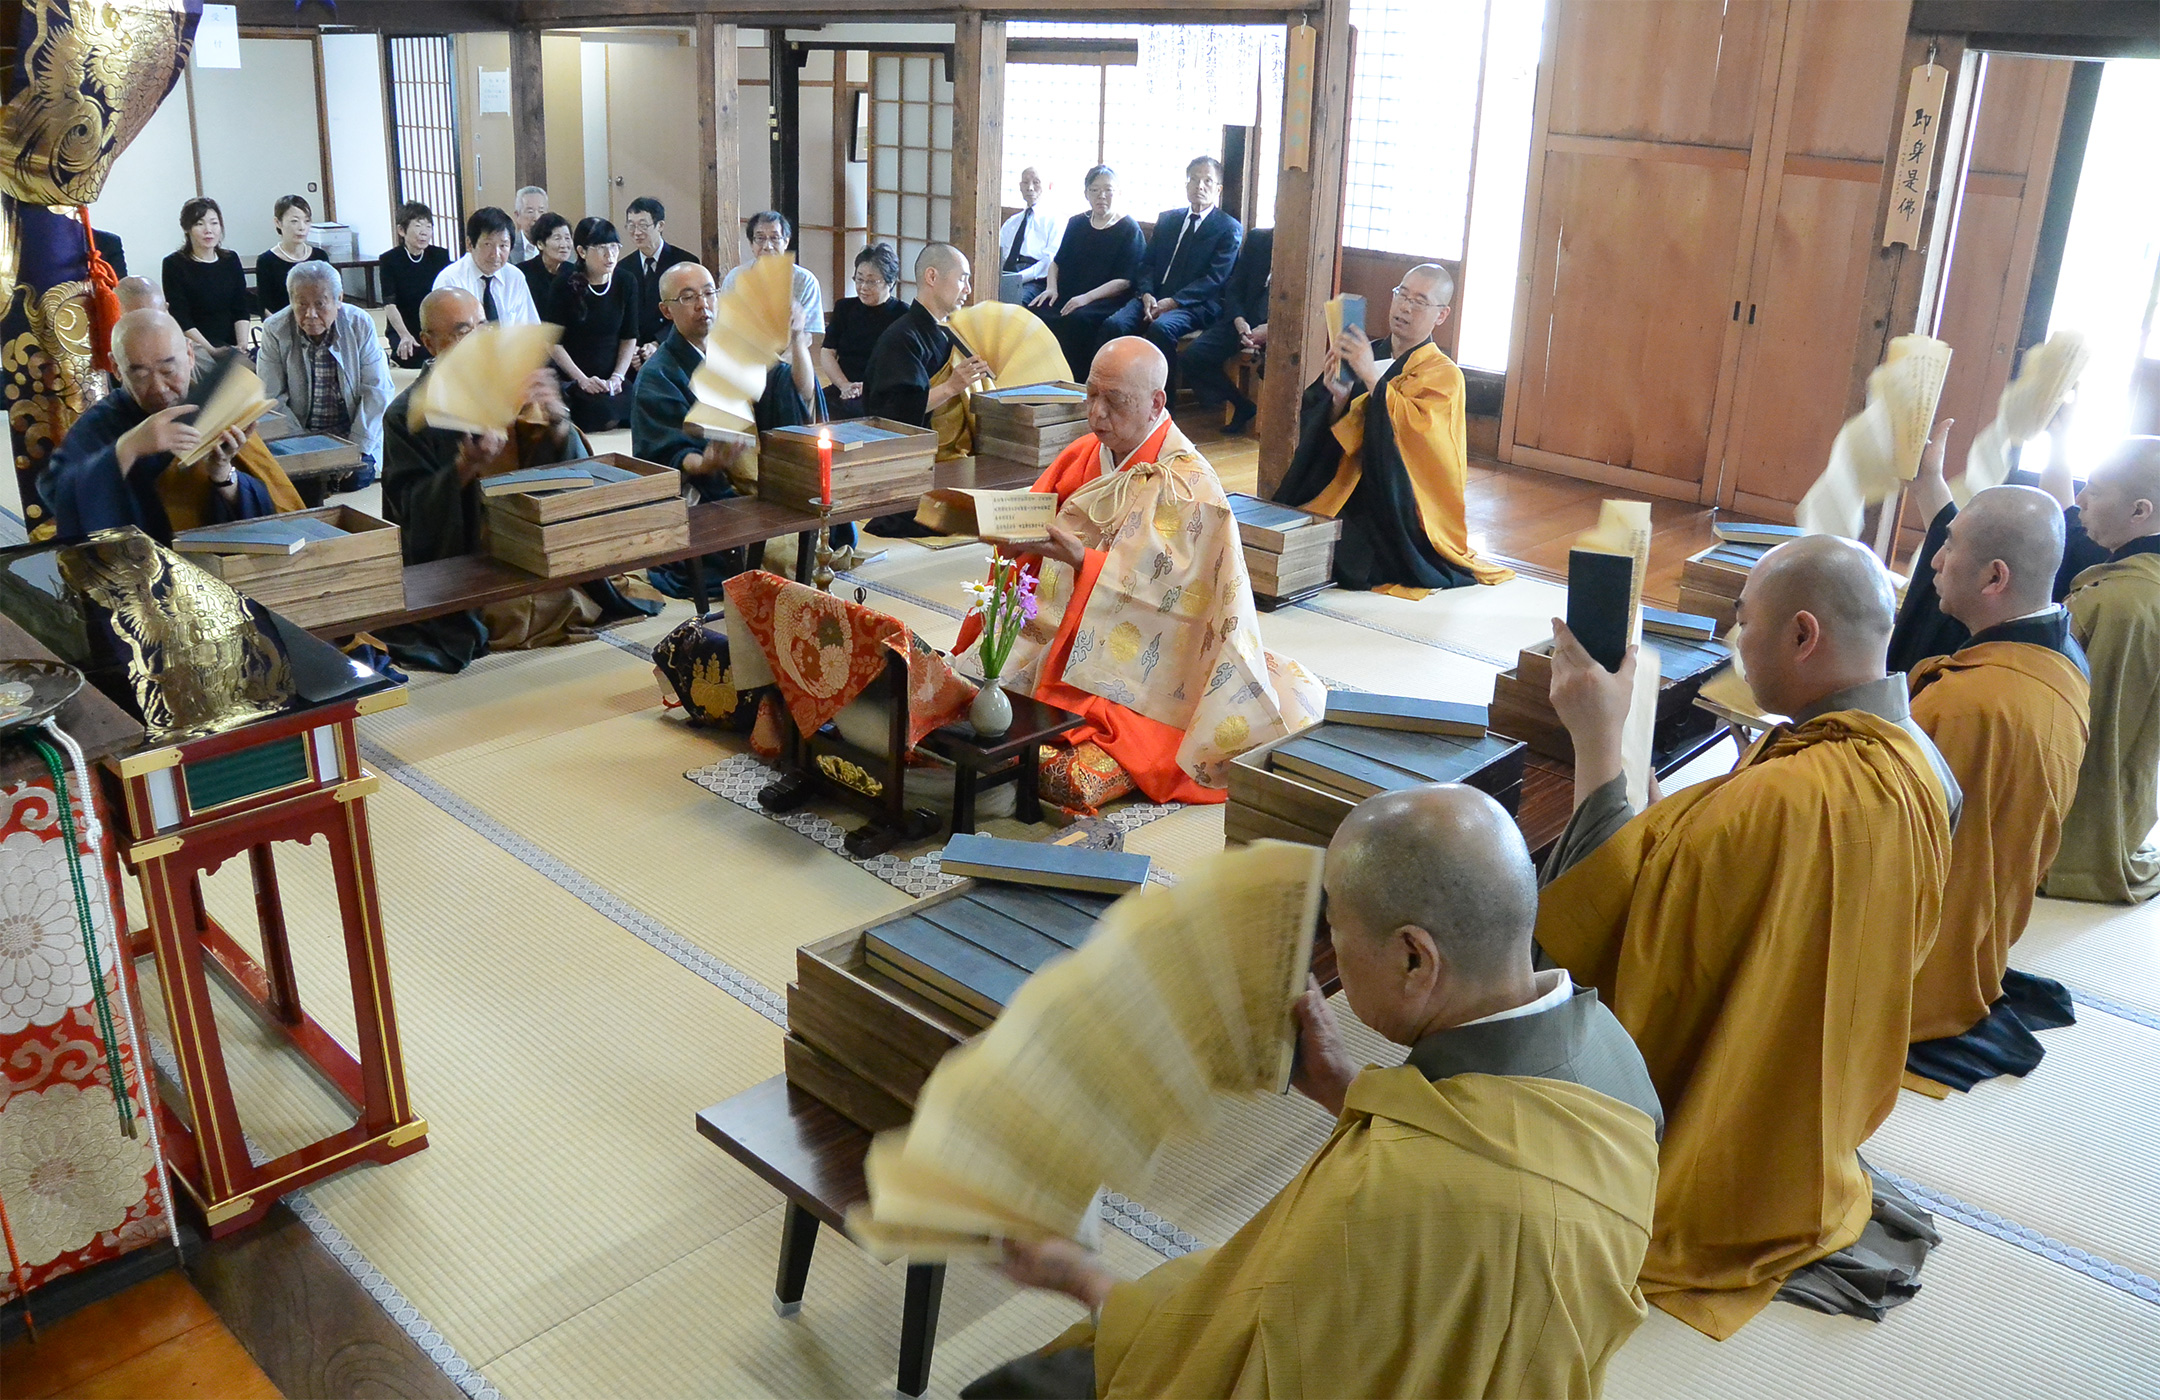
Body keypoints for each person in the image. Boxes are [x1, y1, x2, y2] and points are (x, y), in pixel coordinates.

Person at [967, 784, 1662, 1400]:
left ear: (1414, 958)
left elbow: (1241, 1355)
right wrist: (1342, 1086)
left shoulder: (1390, 1195)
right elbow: (1489, 1150)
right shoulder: (1612, 1057)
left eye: (1336, 931)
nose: (1328, 949)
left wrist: (1083, 1277)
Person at [1535, 535, 1960, 1339]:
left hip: (1734, 1120)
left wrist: (1597, 740)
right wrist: (1667, 822)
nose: (1736, 642)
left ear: (1803, 636)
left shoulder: (1784, 800)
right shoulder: (1923, 761)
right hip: (1825, 1071)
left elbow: (1597, 919)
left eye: (1744, 623)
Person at [952, 337, 1325, 811]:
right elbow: (1030, 523)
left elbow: (1174, 596)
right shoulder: (1084, 453)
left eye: (1115, 402)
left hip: (1147, 654)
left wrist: (1083, 562)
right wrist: (1004, 529)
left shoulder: (1189, 484)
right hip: (1052, 625)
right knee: (966, 688)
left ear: (1156, 403)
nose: (1097, 414)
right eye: (1091, 396)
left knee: (1065, 723)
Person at [1900, 485, 2090, 1092]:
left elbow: (1891, 837)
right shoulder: (2064, 656)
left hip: (1928, 952)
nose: (1934, 560)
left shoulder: (1969, 704)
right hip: (1991, 918)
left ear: (1994, 577)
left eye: (1948, 547)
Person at [376, 288, 651, 674]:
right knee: (509, 615)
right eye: (460, 332)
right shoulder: (407, 414)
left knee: (576, 598)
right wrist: (464, 467)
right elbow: (410, 516)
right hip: (467, 557)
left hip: (530, 543)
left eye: (480, 328)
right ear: (428, 342)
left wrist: (557, 424)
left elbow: (571, 476)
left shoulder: (512, 388)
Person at [1273, 263, 1512, 595]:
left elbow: (1420, 440)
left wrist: (1372, 378)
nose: (1405, 306)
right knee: (1285, 537)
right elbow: (1320, 420)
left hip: (1398, 509)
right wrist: (1339, 399)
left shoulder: (1444, 374)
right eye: (1402, 294)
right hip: (1345, 489)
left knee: (1344, 561)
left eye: (1419, 301)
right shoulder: (1370, 354)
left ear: (1440, 316)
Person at [632, 261, 821, 597]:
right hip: (709, 495)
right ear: (666, 310)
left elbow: (796, 395)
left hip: (761, 481)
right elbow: (665, 454)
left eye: (708, 293)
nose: (703, 305)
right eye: (688, 297)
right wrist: (707, 462)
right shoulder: (657, 375)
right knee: (781, 552)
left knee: (822, 519)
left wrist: (797, 340)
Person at [41, 309, 302, 541]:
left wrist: (223, 474)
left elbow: (269, 516)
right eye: (140, 374)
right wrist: (128, 448)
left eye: (168, 371)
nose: (159, 388)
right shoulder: (101, 424)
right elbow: (59, 496)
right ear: (116, 368)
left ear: (189, 355)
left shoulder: (214, 406)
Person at [2043, 437, 2160, 904]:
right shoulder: (2130, 584)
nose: (2081, 501)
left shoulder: (2110, 600)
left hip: (2065, 828)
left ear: (2139, 512)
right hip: (2130, 811)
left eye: (2095, 490)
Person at [1096, 156, 1242, 377]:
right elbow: (1146, 264)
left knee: (1161, 328)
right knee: (1114, 325)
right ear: (1186, 185)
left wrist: (1173, 302)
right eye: (1193, 179)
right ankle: (1115, 389)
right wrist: (1146, 293)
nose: (1199, 186)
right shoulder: (1168, 220)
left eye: (1207, 181)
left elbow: (1214, 279)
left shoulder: (1228, 228)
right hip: (1153, 297)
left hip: (1194, 304)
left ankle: (1163, 403)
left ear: (1218, 189)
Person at [256, 261, 395, 487]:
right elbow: (270, 398)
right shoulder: (275, 329)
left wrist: (356, 449)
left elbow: (377, 390)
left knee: (358, 476)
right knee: (289, 480)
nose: (310, 314)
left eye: (320, 304)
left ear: (339, 299)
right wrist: (303, 449)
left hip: (348, 431)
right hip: (298, 433)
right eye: (301, 304)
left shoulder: (359, 323)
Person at [861, 242, 987, 437]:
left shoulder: (955, 332)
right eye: (962, 279)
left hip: (965, 449)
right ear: (932, 276)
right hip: (923, 454)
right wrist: (950, 387)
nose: (968, 290)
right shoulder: (900, 338)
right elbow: (891, 415)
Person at [1030, 165, 1144, 379]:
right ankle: (1040, 378)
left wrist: (1086, 298)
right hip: (1069, 294)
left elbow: (1125, 281)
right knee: (1036, 311)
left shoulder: (1129, 229)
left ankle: (1076, 382)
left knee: (1077, 320)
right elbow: (1057, 262)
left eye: (1108, 190)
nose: (1102, 196)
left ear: (1118, 193)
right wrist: (1051, 288)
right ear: (1086, 194)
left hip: (1104, 300)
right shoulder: (1077, 223)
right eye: (1095, 190)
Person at [542, 217, 638, 432]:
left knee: (638, 407)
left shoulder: (626, 281)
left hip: (613, 377)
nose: (610, 255)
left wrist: (617, 377)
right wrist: (583, 380)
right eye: (602, 248)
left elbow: (629, 336)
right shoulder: (564, 283)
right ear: (582, 251)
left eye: (614, 247)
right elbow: (553, 343)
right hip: (575, 377)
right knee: (599, 414)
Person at [1178, 226, 1270, 433]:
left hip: (1280, 326)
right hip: (1242, 319)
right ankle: (1241, 404)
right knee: (1193, 356)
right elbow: (1235, 284)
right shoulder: (1258, 239)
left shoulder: (1305, 247)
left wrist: (1271, 329)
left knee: (1270, 367)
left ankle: (1271, 426)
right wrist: (1239, 320)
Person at [817, 243, 908, 419]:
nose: (863, 287)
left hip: (881, 392)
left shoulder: (903, 315)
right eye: (859, 279)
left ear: (890, 282)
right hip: (843, 387)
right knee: (810, 407)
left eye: (872, 281)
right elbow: (827, 353)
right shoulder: (844, 308)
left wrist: (866, 387)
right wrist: (844, 385)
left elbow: (903, 368)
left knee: (854, 414)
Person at [161, 197, 251, 351]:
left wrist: (242, 345)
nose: (208, 229)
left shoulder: (230, 259)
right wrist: (211, 351)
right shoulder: (174, 264)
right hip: (195, 347)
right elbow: (181, 317)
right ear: (186, 228)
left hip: (231, 346)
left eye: (214, 223)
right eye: (199, 224)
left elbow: (240, 306)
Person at [721, 210, 824, 340]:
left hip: (791, 355)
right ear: (751, 244)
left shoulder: (805, 281)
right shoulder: (735, 277)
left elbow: (811, 334)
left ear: (786, 242)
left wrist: (781, 360)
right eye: (760, 238)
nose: (767, 246)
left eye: (775, 238)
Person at [433, 207, 538, 326]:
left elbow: (528, 327)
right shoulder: (450, 280)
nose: (496, 254)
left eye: (503, 246)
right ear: (469, 244)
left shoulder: (515, 277)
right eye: (488, 244)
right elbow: (445, 335)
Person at [622, 195, 697, 361]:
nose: (636, 232)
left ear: (660, 225)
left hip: (674, 348)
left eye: (643, 225)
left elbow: (690, 312)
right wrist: (632, 348)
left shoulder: (684, 263)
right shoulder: (623, 268)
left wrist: (658, 342)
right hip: (634, 354)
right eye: (631, 225)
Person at [378, 201, 450, 370]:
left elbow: (447, 296)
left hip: (433, 325)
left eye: (428, 226)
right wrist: (404, 335)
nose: (424, 232)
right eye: (418, 226)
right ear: (401, 230)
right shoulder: (390, 260)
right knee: (413, 358)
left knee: (442, 357)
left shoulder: (439, 256)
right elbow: (390, 304)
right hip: (403, 326)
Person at [253, 194, 331, 319]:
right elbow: (265, 306)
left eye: (307, 221)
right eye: (294, 221)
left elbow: (330, 298)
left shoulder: (320, 256)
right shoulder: (266, 261)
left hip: (317, 323)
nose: (302, 227)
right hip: (282, 327)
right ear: (278, 222)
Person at [997, 166, 1060, 306]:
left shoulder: (1055, 220)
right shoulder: (1011, 222)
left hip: (1034, 279)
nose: (1030, 188)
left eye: (1036, 182)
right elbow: (999, 254)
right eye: (1025, 183)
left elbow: (1050, 260)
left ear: (1048, 186)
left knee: (1012, 304)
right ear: (1020, 187)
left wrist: (1019, 277)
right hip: (1007, 274)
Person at [517, 212, 574, 306]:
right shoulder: (523, 273)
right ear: (540, 244)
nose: (564, 244)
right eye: (557, 238)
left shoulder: (575, 273)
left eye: (567, 238)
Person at [509, 185, 549, 263]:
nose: (536, 218)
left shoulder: (558, 246)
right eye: (530, 212)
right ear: (517, 215)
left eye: (541, 211)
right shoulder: (509, 247)